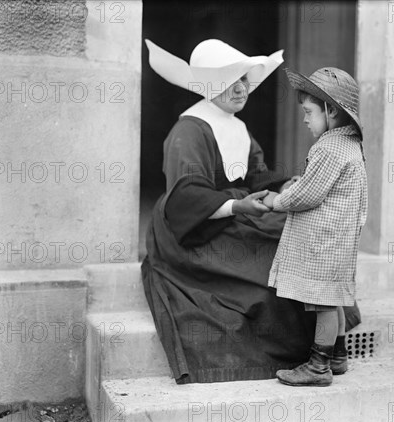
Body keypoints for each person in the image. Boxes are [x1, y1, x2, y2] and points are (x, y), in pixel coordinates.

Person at [141, 39, 361, 384]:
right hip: (193, 230)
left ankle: (330, 348)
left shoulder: (237, 126)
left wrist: (286, 184)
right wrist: (236, 205)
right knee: (275, 259)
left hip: (234, 212)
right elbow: (184, 197)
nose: (242, 88)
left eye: (245, 79)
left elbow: (256, 174)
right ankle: (315, 350)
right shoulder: (189, 130)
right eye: (232, 81)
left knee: (297, 238)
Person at [262, 67, 368, 386]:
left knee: (321, 301)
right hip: (339, 236)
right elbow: (320, 185)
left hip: (324, 240)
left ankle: (319, 365)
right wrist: (300, 183)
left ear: (331, 110)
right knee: (331, 297)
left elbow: (308, 195)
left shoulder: (328, 147)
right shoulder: (349, 145)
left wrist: (276, 201)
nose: (305, 120)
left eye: (309, 112)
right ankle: (338, 355)